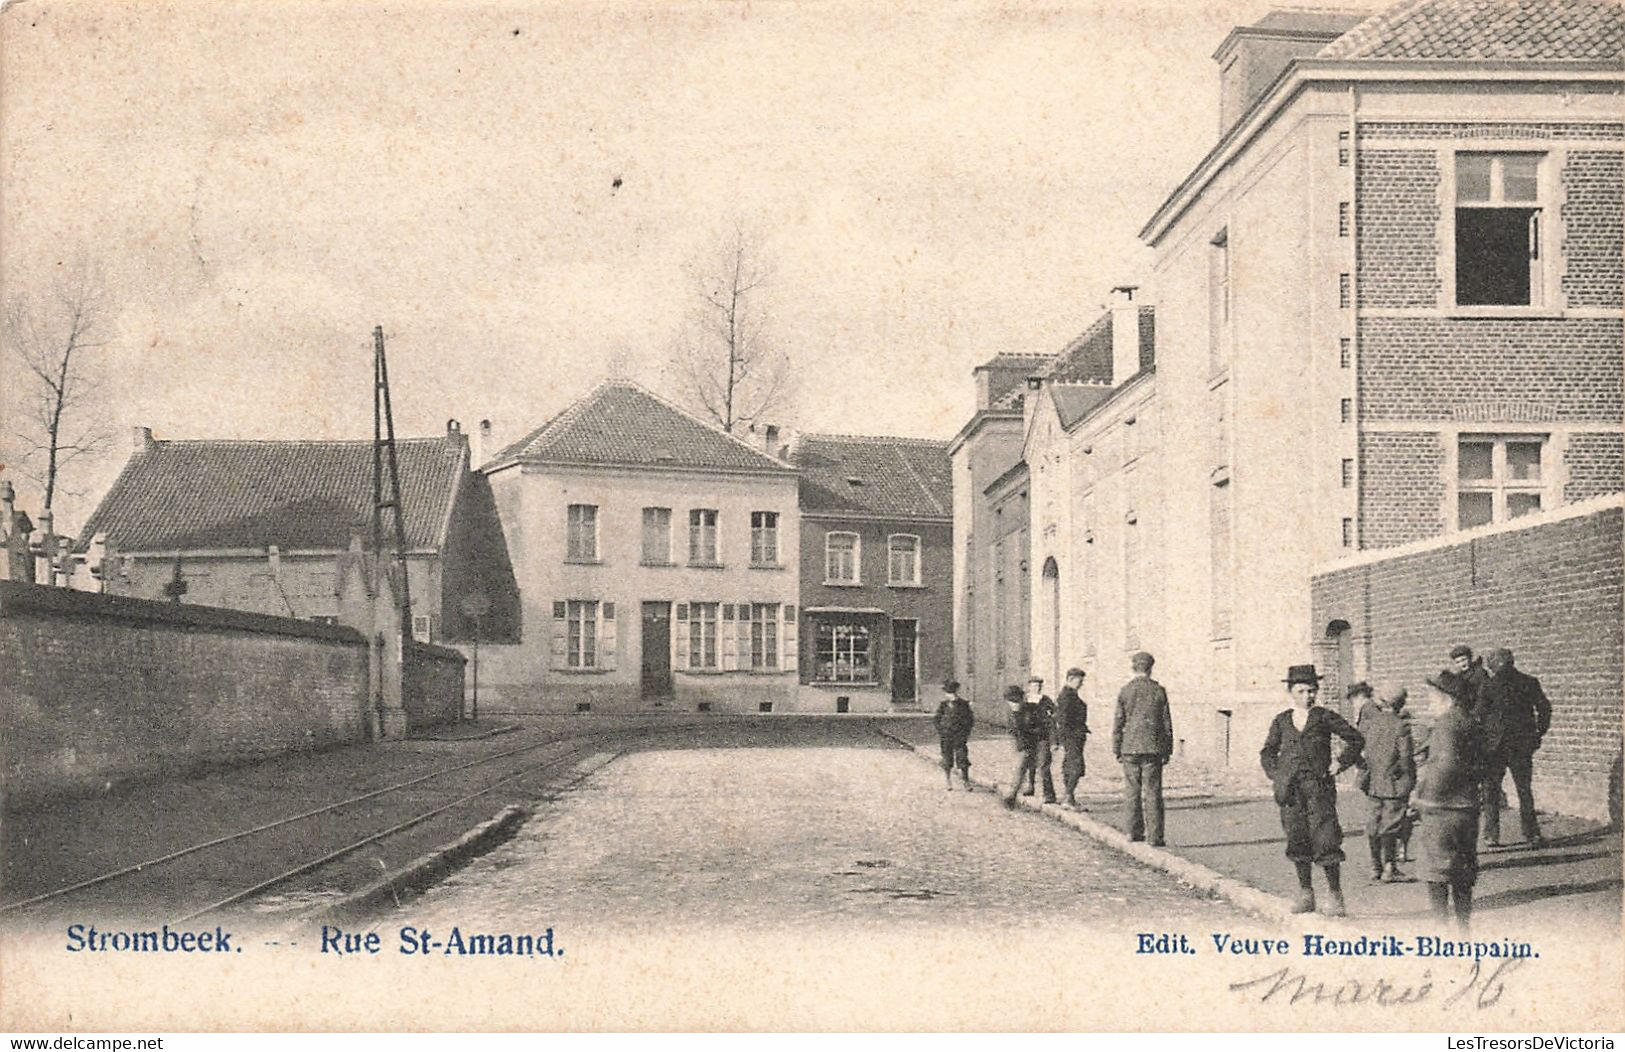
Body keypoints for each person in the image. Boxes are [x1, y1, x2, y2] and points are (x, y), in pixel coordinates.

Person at [1259, 664, 1364, 916]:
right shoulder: (1282, 721)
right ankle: (1306, 894)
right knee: (1297, 838)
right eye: (1302, 691)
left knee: (1326, 838)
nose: (1308, 696)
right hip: (1291, 792)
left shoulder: (1324, 716)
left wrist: (1340, 763)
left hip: (1319, 789)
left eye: (1311, 691)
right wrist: (1277, 775)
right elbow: (1267, 752)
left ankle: (1336, 896)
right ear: (1291, 692)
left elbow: (1356, 739)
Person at [1416, 669, 1485, 929]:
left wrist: (1425, 800)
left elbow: (1445, 766)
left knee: (1436, 871)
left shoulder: (1446, 724)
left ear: (1447, 698)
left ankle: (1440, 931)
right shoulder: (1469, 720)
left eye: (1431, 697)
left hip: (1442, 810)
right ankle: (1464, 930)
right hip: (1467, 807)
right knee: (1463, 872)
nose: (1429, 702)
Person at [1475, 648, 1552, 848]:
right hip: (1519, 746)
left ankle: (1491, 835)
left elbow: (1479, 716)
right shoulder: (1528, 682)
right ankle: (1531, 834)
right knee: (1524, 791)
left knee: (1491, 792)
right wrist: (1537, 733)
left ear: (1493, 665)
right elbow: (1544, 708)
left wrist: (1484, 739)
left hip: (1495, 748)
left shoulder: (1488, 686)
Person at [1357, 682, 1416, 883]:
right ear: (1400, 704)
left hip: (1374, 782)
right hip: (1395, 783)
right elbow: (1406, 758)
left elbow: (1362, 750)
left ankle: (1375, 866)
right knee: (1391, 825)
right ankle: (1390, 867)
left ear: (1382, 702)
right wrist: (1410, 779)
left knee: (1374, 823)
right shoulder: (1401, 726)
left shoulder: (1371, 723)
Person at [1113, 652, 1173, 845]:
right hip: (1153, 747)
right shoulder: (1158, 690)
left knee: (1132, 790)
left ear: (1133, 668)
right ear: (1151, 668)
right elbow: (1166, 723)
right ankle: (1155, 837)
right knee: (1153, 791)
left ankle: (1132, 832)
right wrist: (1168, 749)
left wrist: (1116, 747)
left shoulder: (1125, 691)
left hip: (1130, 747)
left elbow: (1118, 722)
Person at [1002, 685, 1042, 808]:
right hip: (1019, 743)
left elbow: (1039, 725)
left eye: (1015, 701)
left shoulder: (1030, 709)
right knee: (1021, 768)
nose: (1013, 705)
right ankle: (1013, 795)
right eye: (1011, 702)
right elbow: (1012, 729)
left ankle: (1013, 795)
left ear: (1021, 699)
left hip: (1032, 742)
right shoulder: (1011, 712)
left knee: (1023, 768)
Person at [1055, 667, 1090, 809]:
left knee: (1070, 765)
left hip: (1073, 736)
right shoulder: (1066, 696)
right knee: (1076, 766)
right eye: (1079, 681)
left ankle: (1069, 797)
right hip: (1072, 737)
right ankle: (1068, 798)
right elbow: (1062, 719)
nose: (1081, 684)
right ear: (1070, 679)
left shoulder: (1070, 694)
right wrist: (1064, 737)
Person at [933, 679, 975, 791]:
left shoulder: (963, 704)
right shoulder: (943, 705)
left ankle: (966, 782)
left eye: (951, 692)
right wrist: (941, 731)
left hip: (959, 736)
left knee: (962, 758)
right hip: (946, 736)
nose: (949, 694)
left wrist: (965, 734)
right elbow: (937, 719)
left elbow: (970, 720)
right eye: (948, 692)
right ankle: (948, 781)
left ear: (956, 692)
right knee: (947, 759)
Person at [1022, 676, 1058, 803]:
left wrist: (1054, 741)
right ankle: (1030, 786)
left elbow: (1053, 721)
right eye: (1033, 686)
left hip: (1043, 737)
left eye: (1038, 686)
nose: (1036, 688)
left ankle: (1049, 794)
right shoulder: (1024, 700)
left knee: (1043, 765)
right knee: (1029, 763)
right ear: (1029, 687)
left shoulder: (1046, 700)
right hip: (1028, 737)